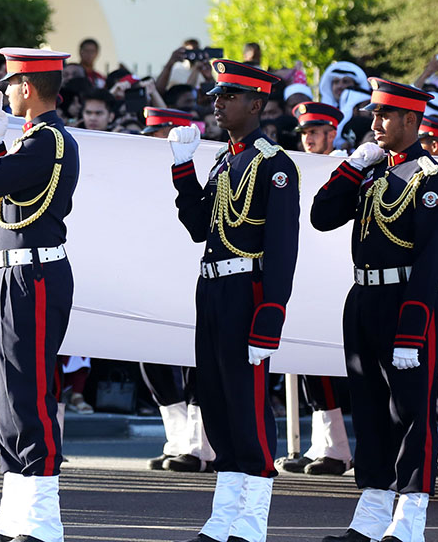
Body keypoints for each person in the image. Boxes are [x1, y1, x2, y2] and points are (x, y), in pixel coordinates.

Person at [312, 78, 438, 542]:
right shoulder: (371, 173)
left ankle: (409, 520)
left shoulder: (432, 182)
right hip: (364, 301)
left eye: (385, 116)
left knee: (413, 413)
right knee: (371, 411)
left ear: (412, 121)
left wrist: (412, 331)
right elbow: (322, 216)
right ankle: (370, 519)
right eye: (373, 114)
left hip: (408, 304)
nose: (374, 124)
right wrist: (353, 166)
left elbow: (431, 261)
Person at [167, 59, 299, 542]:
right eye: (217, 95)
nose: (217, 103)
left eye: (229, 96)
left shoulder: (275, 165)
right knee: (217, 402)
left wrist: (272, 313)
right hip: (214, 289)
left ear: (257, 104)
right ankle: (224, 514)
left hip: (249, 292)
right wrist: (183, 169)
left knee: (247, 404)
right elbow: (200, 227)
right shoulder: (226, 160)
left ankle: (253, 518)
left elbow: (284, 247)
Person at [0, 47, 78, 542]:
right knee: (8, 395)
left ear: (26, 88)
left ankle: (44, 519)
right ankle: (13, 517)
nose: (4, 93)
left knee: (29, 395)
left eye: (9, 85)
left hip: (36, 277)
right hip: (13, 275)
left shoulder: (45, 142)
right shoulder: (32, 141)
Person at [278, 102, 354, 478]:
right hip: (306, 277)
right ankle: (327, 444)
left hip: (338, 279)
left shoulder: (347, 166)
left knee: (335, 368)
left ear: (332, 134)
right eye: (305, 132)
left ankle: (339, 448)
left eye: (315, 131)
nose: (307, 138)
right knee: (308, 366)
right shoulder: (299, 167)